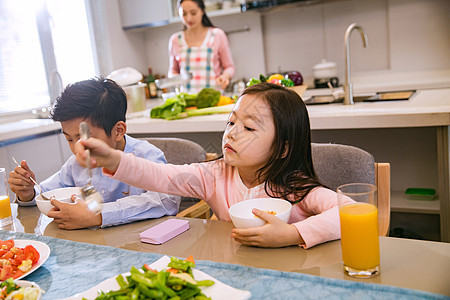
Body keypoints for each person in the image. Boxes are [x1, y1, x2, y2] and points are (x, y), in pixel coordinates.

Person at [74, 82, 354, 249]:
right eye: (231, 122)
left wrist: (293, 234)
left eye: (248, 127)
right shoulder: (214, 176)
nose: (231, 133)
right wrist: (115, 159)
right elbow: (162, 175)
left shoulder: (296, 189)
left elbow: (353, 211)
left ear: (283, 148)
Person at [8, 77, 180, 230]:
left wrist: (98, 215)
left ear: (118, 131)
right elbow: (46, 193)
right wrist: (28, 193)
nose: (77, 149)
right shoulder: (75, 164)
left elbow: (166, 200)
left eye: (84, 139)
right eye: (69, 139)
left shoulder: (146, 156)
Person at [168, 0, 235, 93]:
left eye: (193, 13)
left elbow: (230, 67)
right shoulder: (175, 39)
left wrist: (225, 77)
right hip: (187, 100)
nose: (189, 18)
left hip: (214, 97)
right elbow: (172, 71)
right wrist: (175, 79)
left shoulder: (217, 35)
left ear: (202, 10)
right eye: (184, 14)